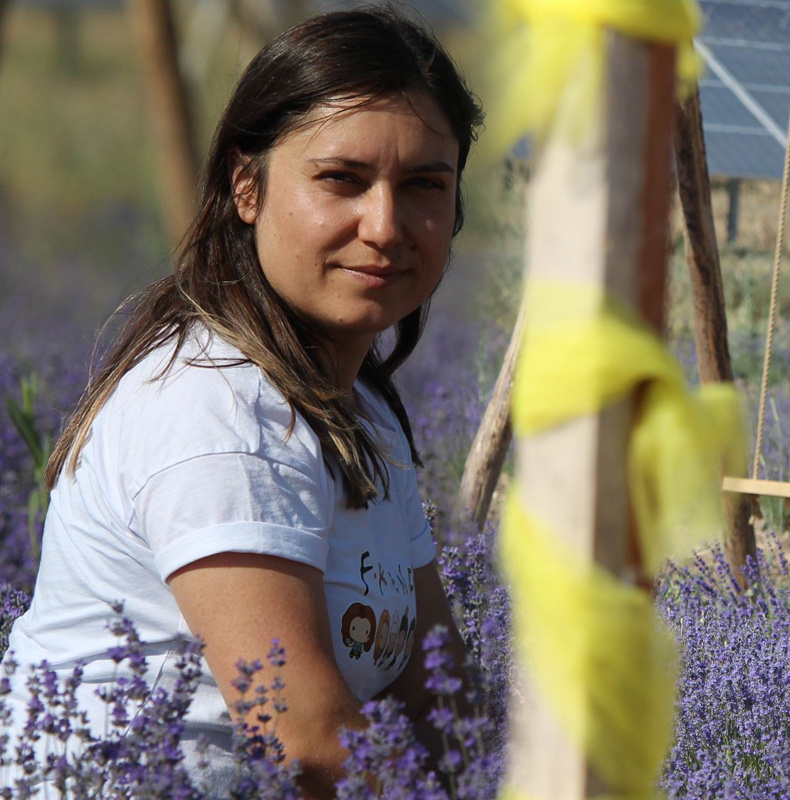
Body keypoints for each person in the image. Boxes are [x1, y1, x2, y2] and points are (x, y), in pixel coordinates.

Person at [3, 8, 483, 797]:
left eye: (425, 185)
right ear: (247, 187)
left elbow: (438, 694)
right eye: (341, 179)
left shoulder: (362, 410)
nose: (386, 225)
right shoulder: (218, 407)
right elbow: (310, 738)